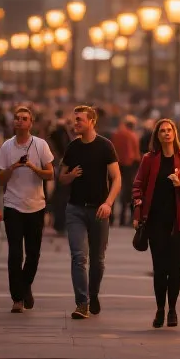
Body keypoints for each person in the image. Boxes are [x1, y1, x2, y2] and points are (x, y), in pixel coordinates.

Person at [132, 118, 180, 328]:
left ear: (174, 133)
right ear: (157, 135)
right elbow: (138, 186)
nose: (166, 134)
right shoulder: (149, 159)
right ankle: (160, 309)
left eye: (169, 130)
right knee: (160, 268)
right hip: (155, 222)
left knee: (176, 268)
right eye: (162, 131)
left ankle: (173, 309)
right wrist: (137, 211)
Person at [60, 106, 121, 319]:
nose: (75, 123)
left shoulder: (105, 146)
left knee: (98, 259)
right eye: (74, 120)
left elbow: (117, 178)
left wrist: (108, 203)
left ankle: (93, 294)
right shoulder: (73, 147)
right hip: (75, 209)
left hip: (99, 210)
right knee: (78, 257)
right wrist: (71, 176)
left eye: (79, 120)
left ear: (91, 121)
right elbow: (61, 177)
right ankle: (82, 303)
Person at [0, 107, 55, 313]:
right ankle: (17, 298)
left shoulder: (40, 145)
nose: (19, 121)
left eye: (24, 119)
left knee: (33, 254)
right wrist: (12, 167)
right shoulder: (7, 147)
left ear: (31, 123)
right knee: (14, 254)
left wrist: (32, 167)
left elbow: (50, 174)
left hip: (36, 206)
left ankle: (25, 284)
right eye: (17, 118)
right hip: (13, 205)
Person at [111, 116, 140, 227]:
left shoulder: (117, 134)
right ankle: (124, 218)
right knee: (127, 192)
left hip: (116, 164)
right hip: (129, 165)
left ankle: (111, 217)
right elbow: (136, 154)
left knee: (114, 189)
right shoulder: (132, 135)